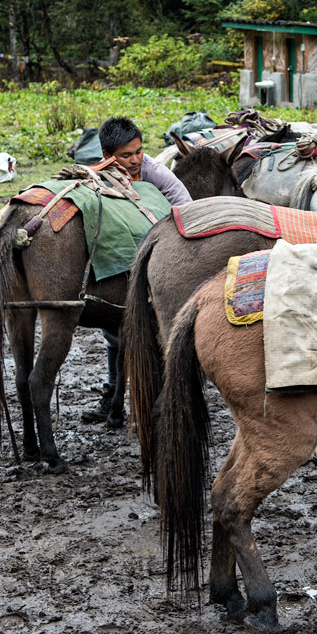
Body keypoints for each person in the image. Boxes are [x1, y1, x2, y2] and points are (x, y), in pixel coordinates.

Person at [81, 117, 193, 424]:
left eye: (138, 152)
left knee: (158, 327)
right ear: (106, 155)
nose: (134, 160)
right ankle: (113, 395)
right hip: (121, 253)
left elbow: (186, 208)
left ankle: (164, 396)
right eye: (125, 155)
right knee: (112, 328)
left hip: (160, 251)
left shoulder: (155, 172)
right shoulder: (96, 177)